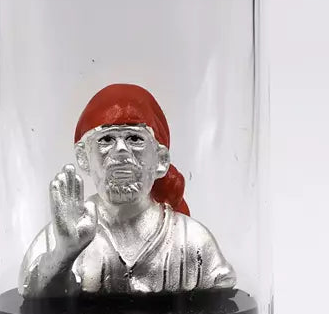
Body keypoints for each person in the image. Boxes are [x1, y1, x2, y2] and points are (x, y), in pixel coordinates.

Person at [19, 83, 236, 297]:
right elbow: (32, 293)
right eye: (106, 139)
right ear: (84, 158)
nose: (121, 150)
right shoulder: (62, 235)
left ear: (161, 160)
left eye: (134, 138)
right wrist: (64, 253)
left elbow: (220, 293)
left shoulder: (192, 241)